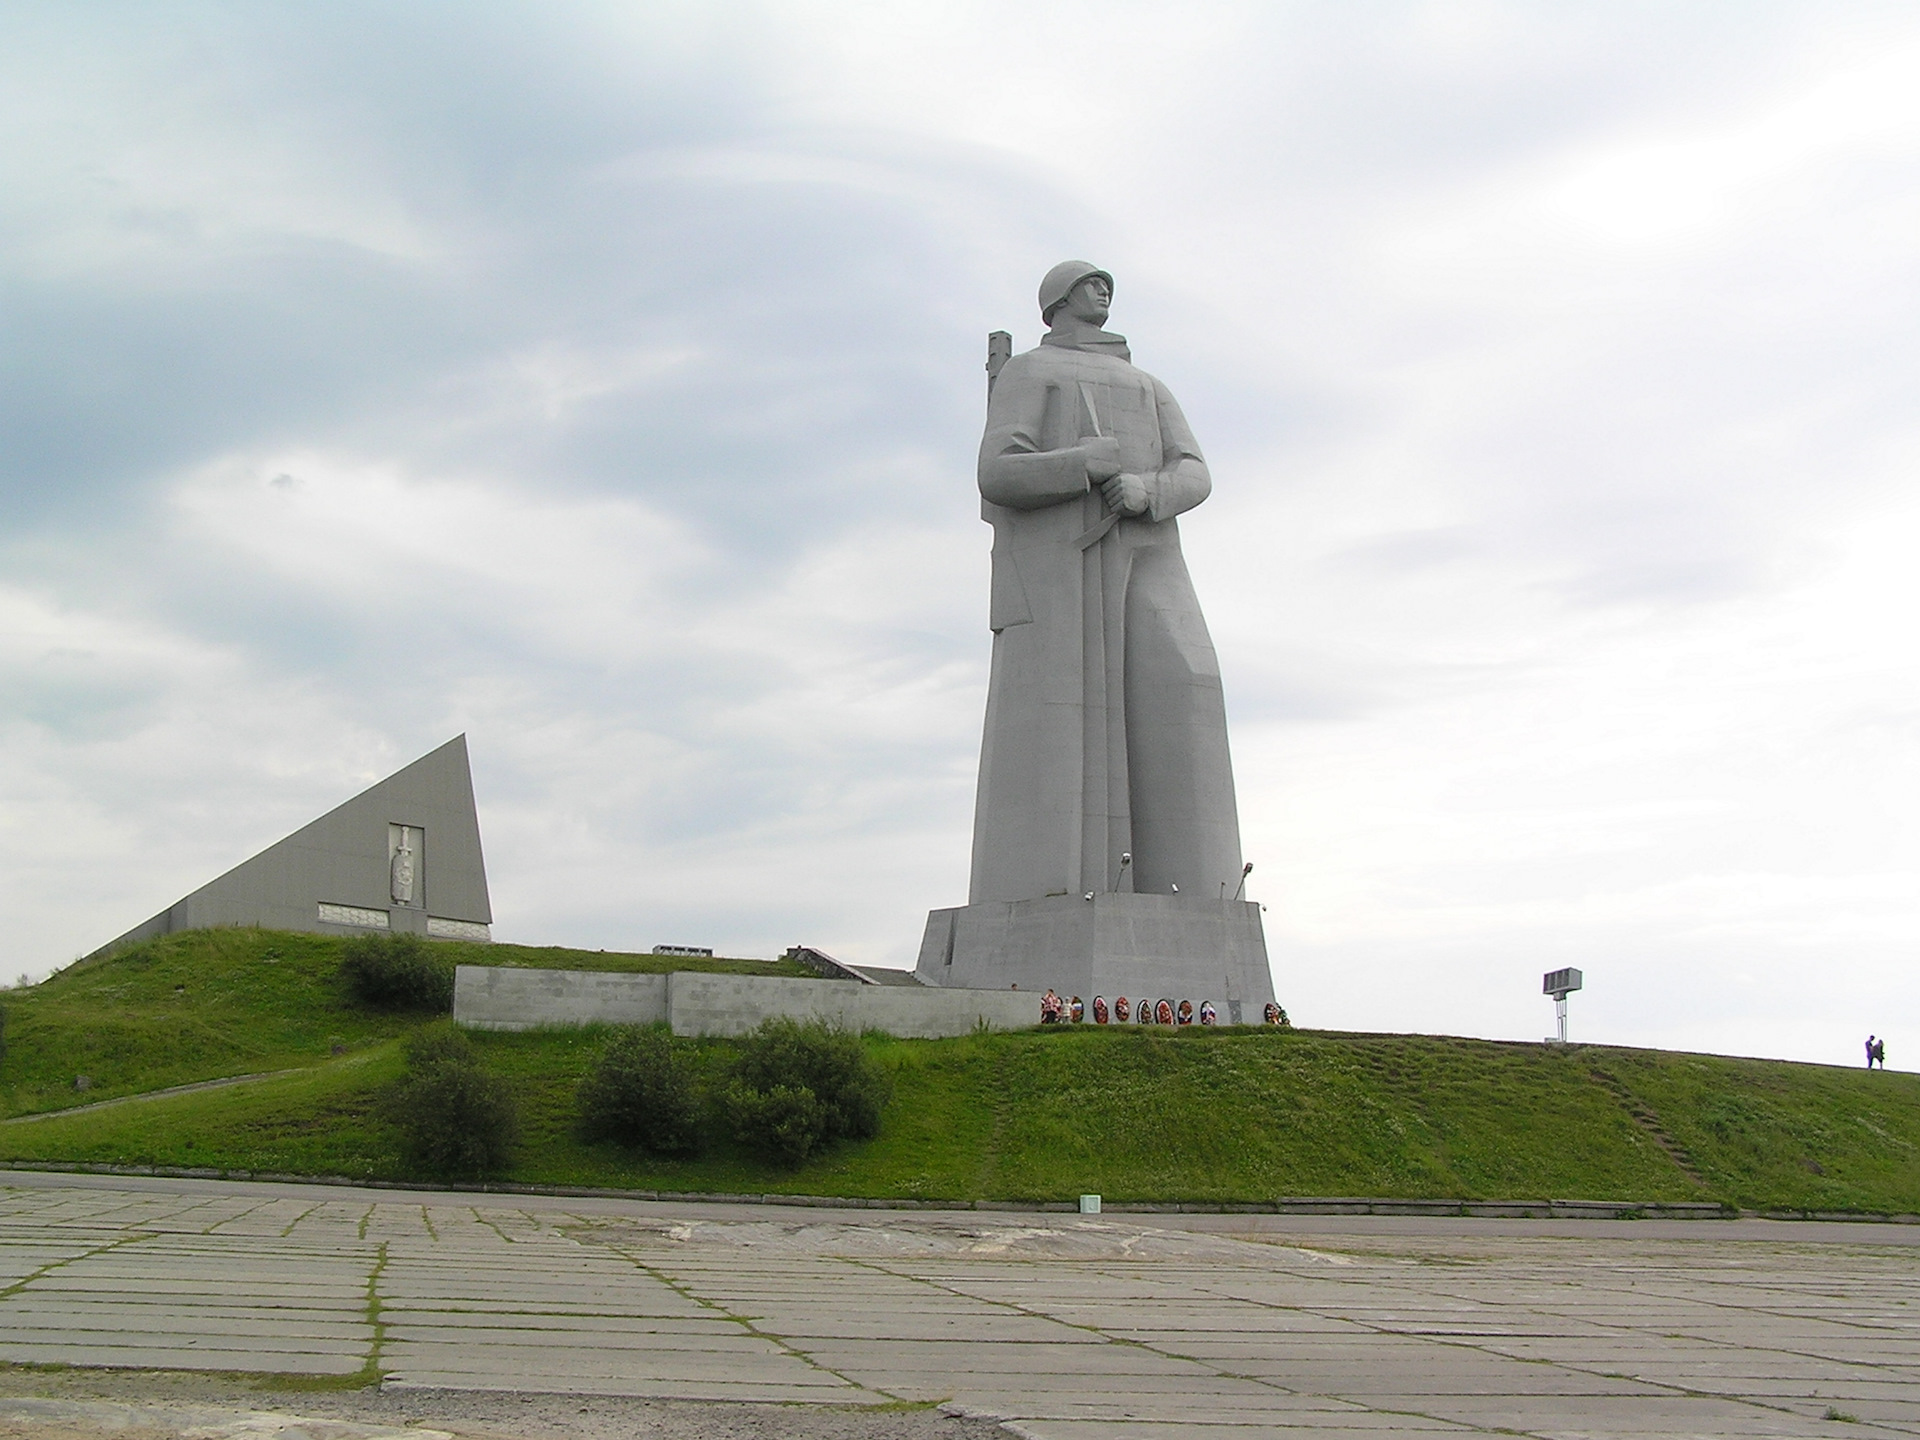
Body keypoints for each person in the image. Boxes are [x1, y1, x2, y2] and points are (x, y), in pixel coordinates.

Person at [968, 262, 1246, 906]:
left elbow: (1195, 470)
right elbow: (997, 472)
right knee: (1060, 727)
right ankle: (1052, 888)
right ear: (1058, 300)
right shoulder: (1030, 372)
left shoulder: (1148, 386)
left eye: (1108, 285)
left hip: (1149, 554)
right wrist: (1080, 465)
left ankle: (1203, 894)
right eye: (1092, 283)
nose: (1105, 291)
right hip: (1059, 571)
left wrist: (1150, 489)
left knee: (1187, 681)